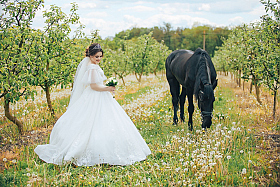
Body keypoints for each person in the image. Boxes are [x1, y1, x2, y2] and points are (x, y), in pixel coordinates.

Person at [34, 43, 151, 166]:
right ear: (90, 56)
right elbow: (94, 86)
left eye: (100, 56)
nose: (99, 59)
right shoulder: (92, 68)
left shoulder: (92, 65)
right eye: (96, 57)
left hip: (96, 95)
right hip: (95, 95)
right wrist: (108, 88)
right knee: (93, 120)